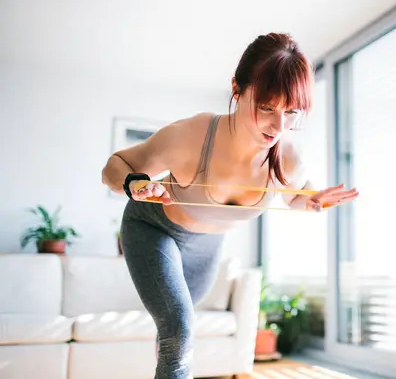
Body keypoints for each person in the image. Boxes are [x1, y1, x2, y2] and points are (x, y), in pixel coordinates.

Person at [101, 32, 358, 379]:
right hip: (153, 229)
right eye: (267, 107)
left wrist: (313, 202)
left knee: (174, 334)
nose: (278, 126)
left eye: (291, 112)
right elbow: (115, 167)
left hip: (206, 250)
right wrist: (135, 184)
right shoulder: (191, 137)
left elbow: (295, 197)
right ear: (237, 88)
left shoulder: (290, 160)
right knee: (179, 327)